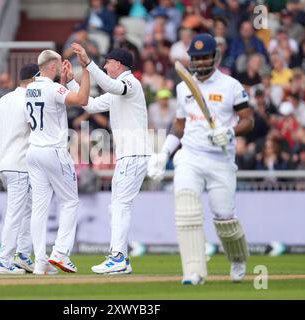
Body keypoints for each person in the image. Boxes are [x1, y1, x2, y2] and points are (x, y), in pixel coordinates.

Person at [147, 33, 254, 284]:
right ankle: (193, 271)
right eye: (196, 58)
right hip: (191, 155)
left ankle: (238, 259)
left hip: (220, 160)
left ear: (215, 57)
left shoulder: (231, 86)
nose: (200, 62)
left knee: (225, 220)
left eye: (205, 57)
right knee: (186, 208)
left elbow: (249, 121)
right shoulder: (183, 86)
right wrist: (164, 153)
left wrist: (229, 132)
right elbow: (180, 124)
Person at [70, 44, 151, 274]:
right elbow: (91, 104)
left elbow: (109, 85)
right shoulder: (117, 91)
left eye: (108, 63)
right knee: (116, 207)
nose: (105, 66)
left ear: (118, 64)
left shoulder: (130, 84)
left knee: (120, 206)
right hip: (128, 155)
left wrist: (88, 63)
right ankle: (121, 257)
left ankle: (118, 258)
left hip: (134, 153)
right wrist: (70, 83)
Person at [25, 50, 90, 274]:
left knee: (39, 209)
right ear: (53, 68)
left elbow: (54, 103)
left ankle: (40, 263)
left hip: (33, 151)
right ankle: (60, 253)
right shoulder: (52, 89)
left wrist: (62, 81)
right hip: (53, 150)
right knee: (70, 202)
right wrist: (86, 71)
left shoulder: (30, 88)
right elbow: (81, 100)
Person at [0, 64, 41, 275]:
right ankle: (4, 261)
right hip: (20, 165)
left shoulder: (4, 99)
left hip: (5, 165)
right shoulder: (29, 100)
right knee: (16, 213)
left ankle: (23, 257)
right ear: (34, 80)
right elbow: (35, 130)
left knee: (26, 212)